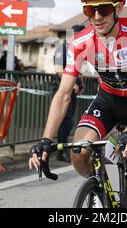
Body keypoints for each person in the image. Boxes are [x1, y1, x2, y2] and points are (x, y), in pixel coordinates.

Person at [29, 0, 127, 207]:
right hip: (107, 100)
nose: (97, 17)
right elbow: (64, 93)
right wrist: (46, 138)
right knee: (79, 152)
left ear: (118, 7)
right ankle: (101, 189)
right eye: (90, 11)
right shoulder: (80, 42)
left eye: (103, 9)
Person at [53, 24, 86, 162]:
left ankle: (63, 150)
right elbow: (59, 70)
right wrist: (72, 85)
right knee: (65, 122)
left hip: (73, 90)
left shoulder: (76, 50)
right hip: (63, 89)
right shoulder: (63, 48)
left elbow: (78, 69)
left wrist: (82, 83)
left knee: (69, 121)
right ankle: (61, 151)